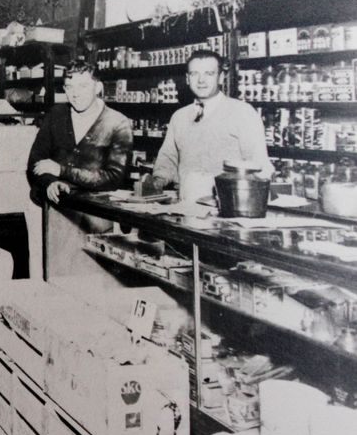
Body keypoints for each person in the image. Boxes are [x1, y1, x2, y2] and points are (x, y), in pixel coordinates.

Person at [23, 62, 132, 278]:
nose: (75, 94)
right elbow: (35, 161)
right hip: (51, 211)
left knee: (90, 276)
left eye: (82, 86)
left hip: (94, 216)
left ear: (98, 87)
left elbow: (114, 178)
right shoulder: (56, 115)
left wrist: (62, 171)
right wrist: (49, 182)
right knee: (48, 274)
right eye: (69, 87)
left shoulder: (117, 123)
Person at [143, 49, 273, 198]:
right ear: (187, 78)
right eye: (194, 74)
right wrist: (155, 182)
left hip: (226, 210)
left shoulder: (243, 113)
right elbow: (167, 161)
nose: (201, 80)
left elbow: (260, 167)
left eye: (209, 74)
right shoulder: (179, 117)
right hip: (185, 208)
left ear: (221, 77)